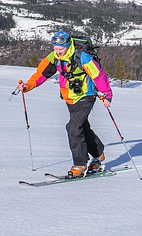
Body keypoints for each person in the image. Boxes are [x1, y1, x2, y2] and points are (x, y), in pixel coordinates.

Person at [18, 30, 113, 178]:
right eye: (55, 49)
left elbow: (98, 74)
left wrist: (106, 94)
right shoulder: (54, 57)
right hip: (69, 97)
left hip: (86, 96)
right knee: (82, 127)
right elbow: (41, 74)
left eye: (60, 49)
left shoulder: (82, 57)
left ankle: (80, 164)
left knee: (73, 127)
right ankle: (98, 154)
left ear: (68, 46)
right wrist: (28, 86)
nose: (58, 52)